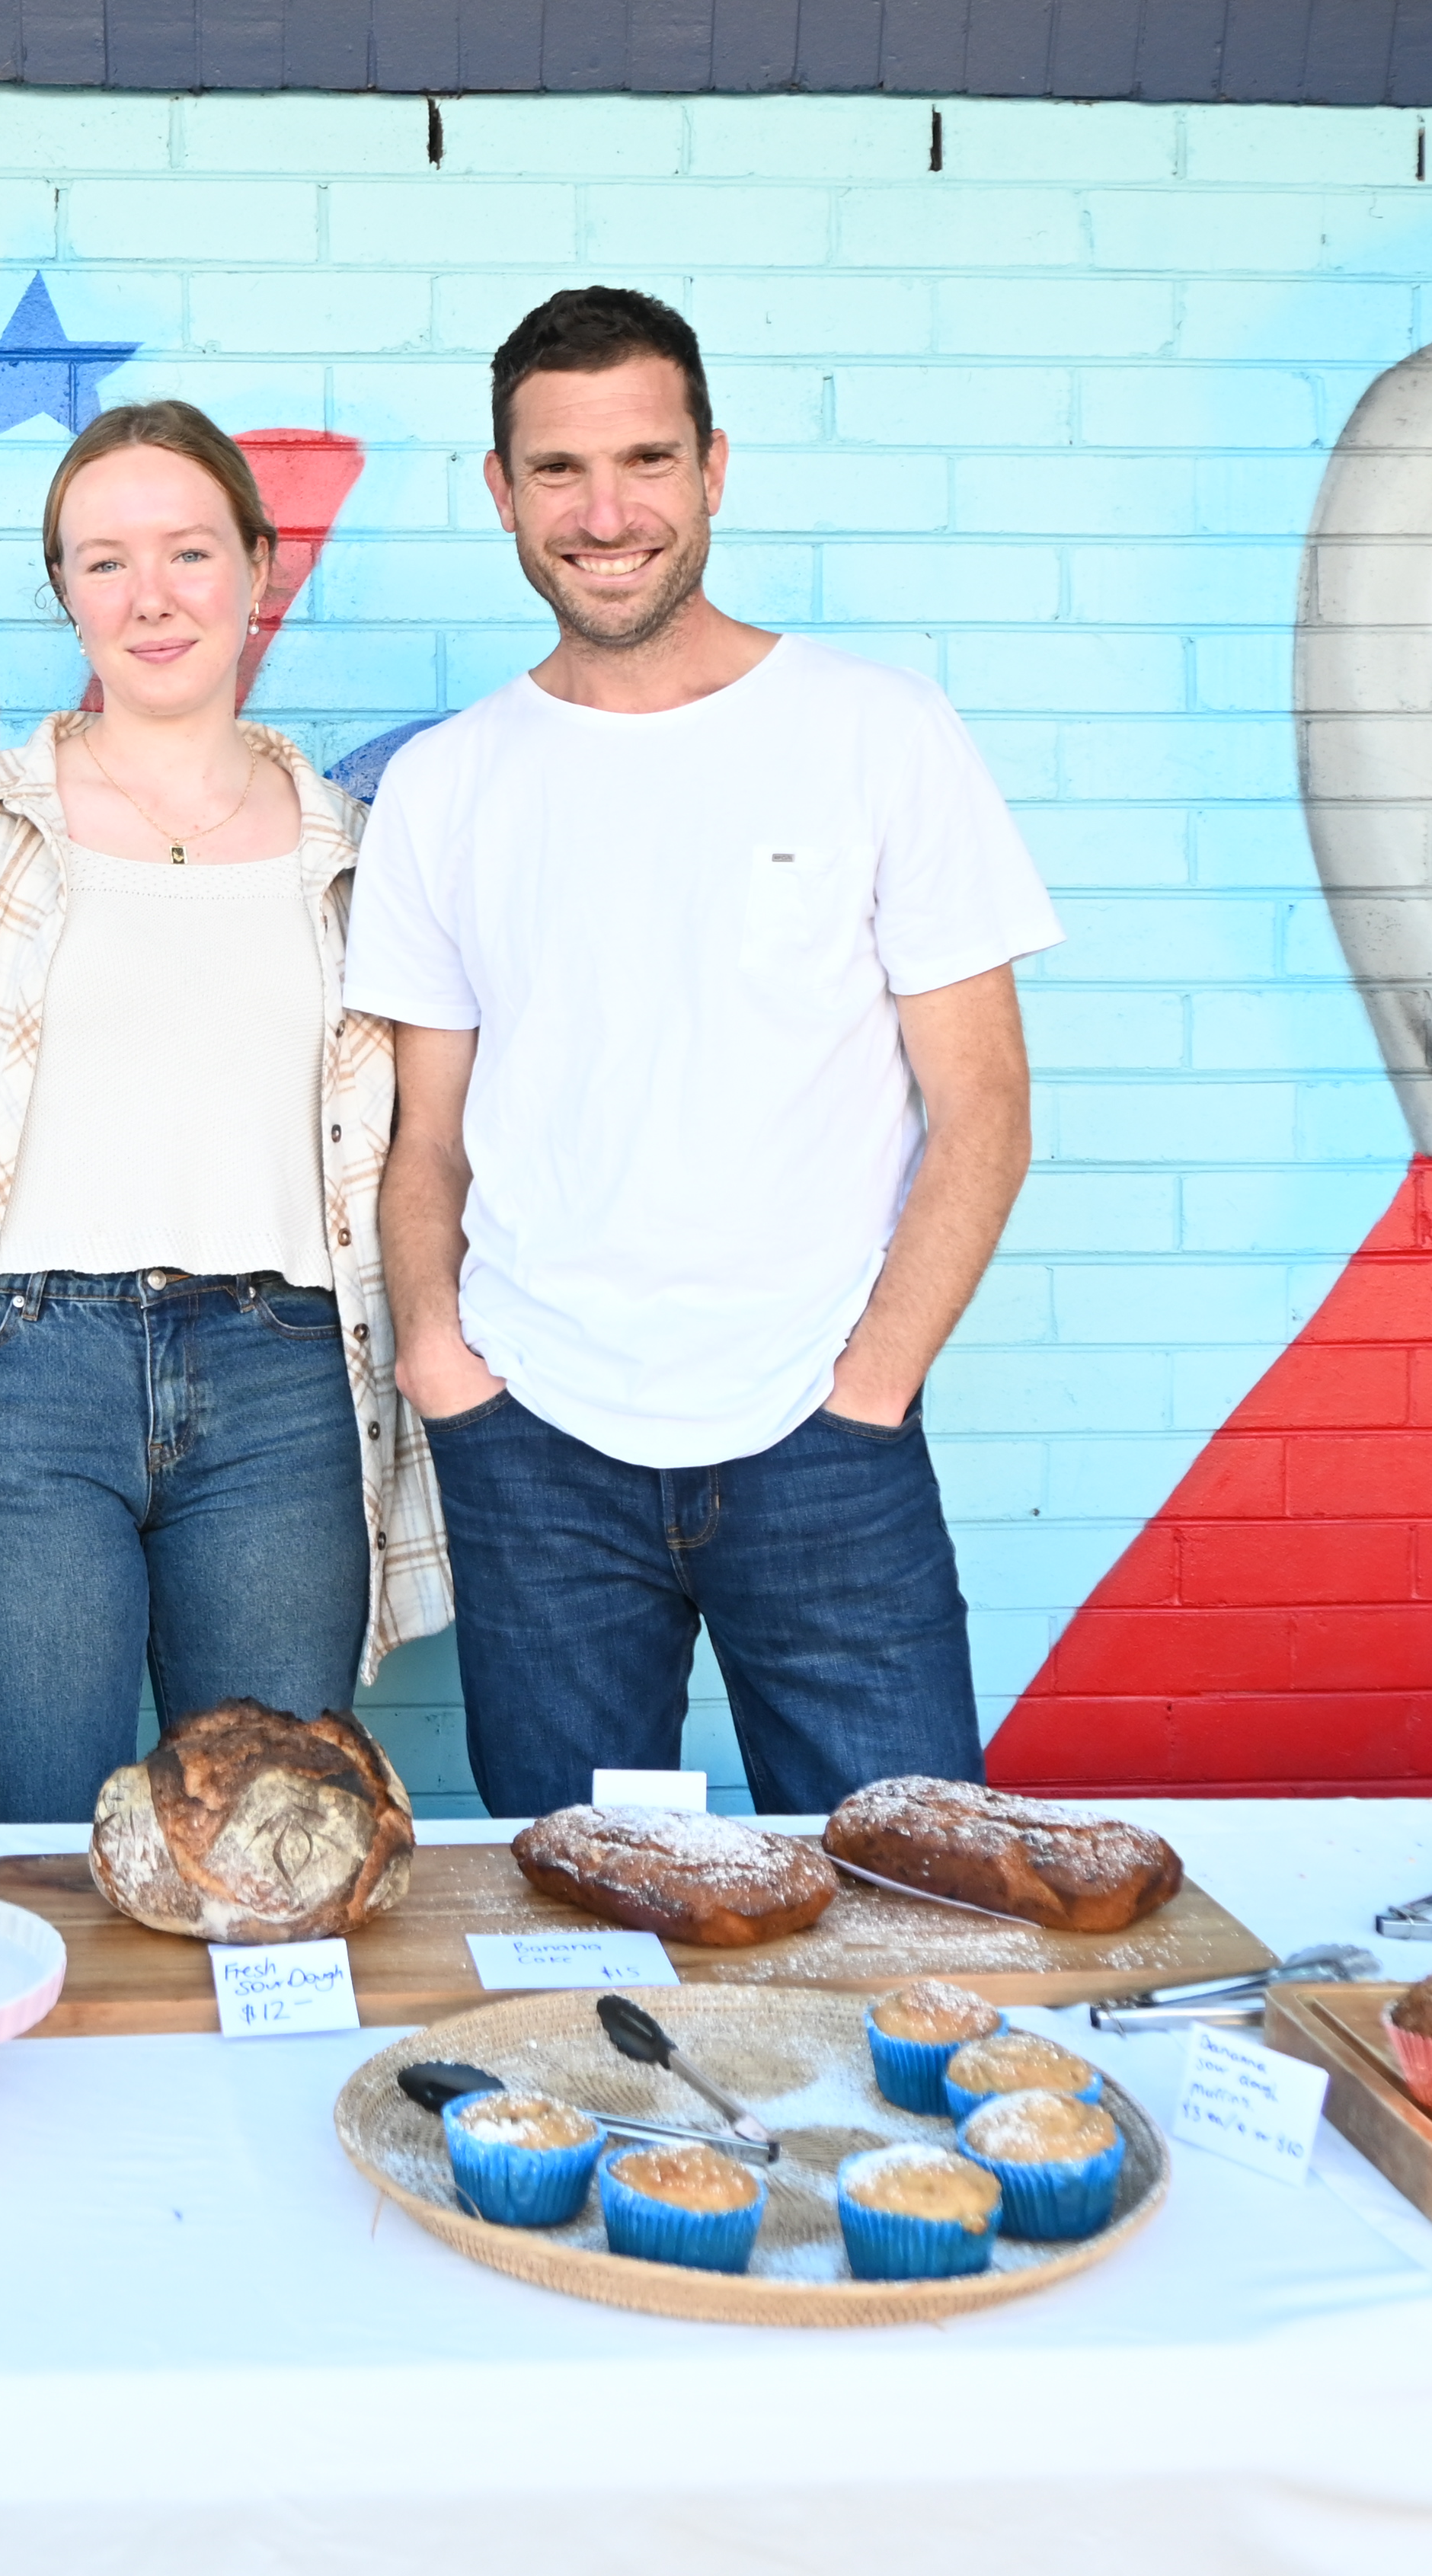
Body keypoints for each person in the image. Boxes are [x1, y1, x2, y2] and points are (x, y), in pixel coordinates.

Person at [347, 288, 1059, 1817]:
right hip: (533, 1434)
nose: (608, 514)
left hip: (824, 1432)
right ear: (501, 490)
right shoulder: (447, 783)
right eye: (558, 471)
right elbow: (429, 1138)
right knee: (580, 1916)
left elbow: (985, 1109)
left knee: (911, 1888)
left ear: (715, 468)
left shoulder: (879, 729)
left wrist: (870, 1380)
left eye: (648, 461)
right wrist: (441, 1360)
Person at [0, 401, 446, 1824]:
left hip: (285, 1389)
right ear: (64, 591)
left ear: (260, 570)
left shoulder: (358, 853)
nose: (152, 599)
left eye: (191, 552)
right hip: (21, 1380)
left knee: (273, 1829)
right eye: (104, 562)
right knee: (34, 1834)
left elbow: (411, 1157)